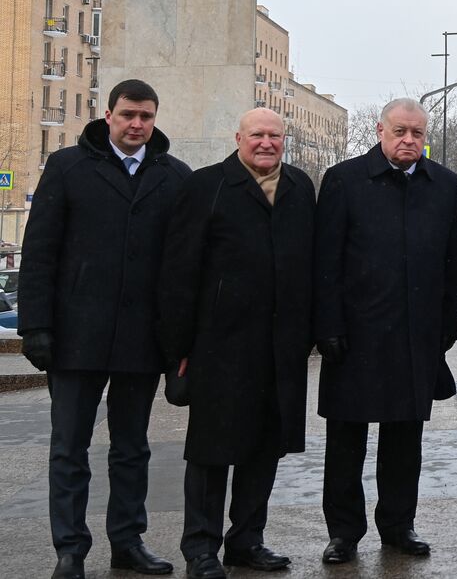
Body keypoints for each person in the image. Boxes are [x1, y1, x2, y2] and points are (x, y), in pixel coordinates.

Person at [19, 80, 191, 579]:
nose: (136, 124)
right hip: (76, 337)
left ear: (155, 119)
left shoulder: (174, 177)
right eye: (128, 115)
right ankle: (70, 549)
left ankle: (127, 541)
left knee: (132, 448)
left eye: (146, 116)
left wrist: (178, 339)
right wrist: (36, 326)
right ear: (108, 114)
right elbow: (40, 252)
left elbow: (180, 266)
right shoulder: (69, 168)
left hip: (141, 339)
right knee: (69, 447)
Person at [159, 110, 316, 578]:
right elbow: (179, 272)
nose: (266, 143)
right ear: (239, 139)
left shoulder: (300, 187)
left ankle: (246, 540)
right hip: (218, 347)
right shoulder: (207, 185)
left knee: (264, 447)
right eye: (257, 135)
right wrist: (178, 349)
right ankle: (201, 549)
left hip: (280, 346)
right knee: (212, 452)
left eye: (274, 136)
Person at [314, 99, 457, 565]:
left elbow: (449, 260)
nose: (409, 141)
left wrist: (444, 327)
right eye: (400, 131)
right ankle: (343, 533)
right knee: (346, 442)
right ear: (380, 130)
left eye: (417, 134)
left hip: (414, 337)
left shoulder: (444, 184)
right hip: (354, 338)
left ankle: (399, 525)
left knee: (405, 442)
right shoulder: (344, 180)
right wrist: (329, 325)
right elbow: (326, 261)